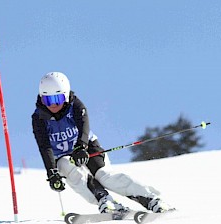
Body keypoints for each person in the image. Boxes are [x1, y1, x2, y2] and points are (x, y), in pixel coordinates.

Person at [32, 72, 172, 214]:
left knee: (104, 176)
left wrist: (81, 146)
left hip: (87, 147)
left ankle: (152, 199)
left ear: (66, 95)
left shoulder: (75, 106)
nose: (53, 104)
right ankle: (106, 201)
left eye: (58, 98)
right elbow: (44, 146)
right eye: (48, 100)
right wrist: (52, 172)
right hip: (62, 156)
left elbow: (84, 126)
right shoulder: (39, 118)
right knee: (66, 166)